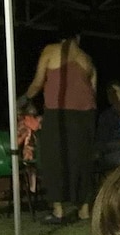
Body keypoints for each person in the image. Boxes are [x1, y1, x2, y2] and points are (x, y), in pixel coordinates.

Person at [19, 17, 97, 224]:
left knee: (54, 159)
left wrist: (24, 99)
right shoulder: (87, 59)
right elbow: (93, 91)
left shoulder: (50, 51)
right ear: (77, 37)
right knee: (81, 161)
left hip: (58, 113)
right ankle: (83, 209)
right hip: (84, 115)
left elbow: (37, 82)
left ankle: (59, 210)